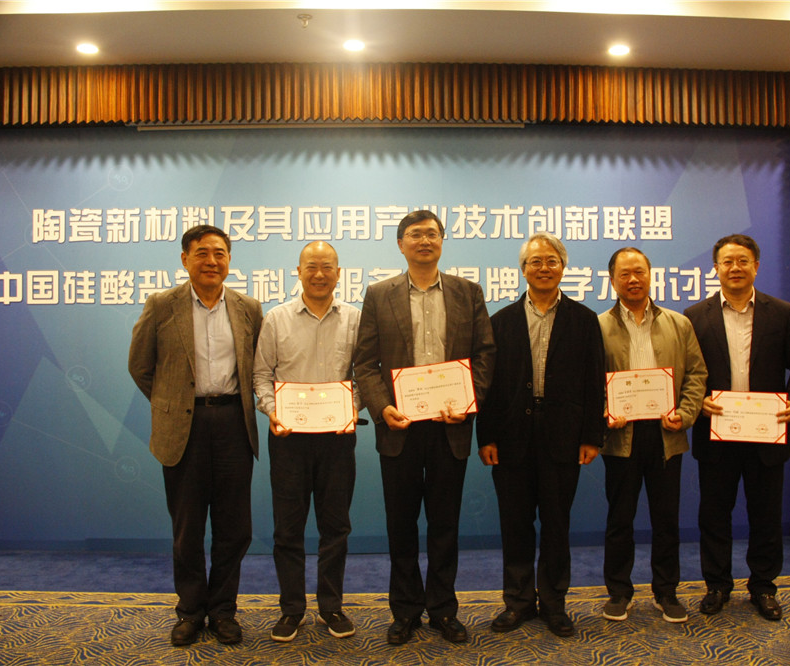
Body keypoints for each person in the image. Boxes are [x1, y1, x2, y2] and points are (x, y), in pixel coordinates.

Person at [353, 209, 495, 645]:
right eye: (415, 235)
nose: (424, 241)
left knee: (444, 524)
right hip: (399, 427)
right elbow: (365, 363)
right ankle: (405, 610)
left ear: (442, 241)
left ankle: (443, 610)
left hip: (450, 426)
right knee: (401, 525)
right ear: (401, 244)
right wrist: (382, 409)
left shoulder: (468, 292)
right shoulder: (379, 295)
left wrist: (469, 402)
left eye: (432, 234)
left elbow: (485, 354)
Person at [128, 224, 263, 646]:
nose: (211, 261)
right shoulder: (161, 305)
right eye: (202, 253)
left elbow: (259, 367)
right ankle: (189, 611)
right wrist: (172, 404)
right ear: (185, 259)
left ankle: (222, 611)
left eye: (220, 253)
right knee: (188, 528)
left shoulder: (248, 308)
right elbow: (140, 366)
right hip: (184, 428)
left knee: (234, 527)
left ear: (229, 260)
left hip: (233, 424)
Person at [476, 233, 604, 637]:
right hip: (511, 438)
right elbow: (489, 386)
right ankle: (517, 602)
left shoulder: (584, 320)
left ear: (563, 267)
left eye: (551, 261)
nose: (543, 268)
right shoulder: (501, 321)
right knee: (514, 524)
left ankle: (553, 603)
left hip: (563, 436)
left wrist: (592, 436)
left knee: (556, 524)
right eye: (535, 261)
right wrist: (486, 436)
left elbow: (594, 381)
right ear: (523, 269)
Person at [684, 234, 790, 621]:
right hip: (716, 432)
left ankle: (763, 587)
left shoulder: (782, 313)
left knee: (766, 516)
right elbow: (685, 370)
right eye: (727, 262)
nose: (735, 268)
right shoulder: (695, 316)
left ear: (756, 266)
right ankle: (717, 585)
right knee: (714, 515)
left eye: (743, 260)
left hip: (766, 433)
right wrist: (697, 399)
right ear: (716, 269)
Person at [252, 241, 361, 642]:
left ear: (338, 273)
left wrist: (351, 407)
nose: (319, 274)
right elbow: (261, 375)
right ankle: (292, 609)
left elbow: (366, 373)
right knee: (288, 529)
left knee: (336, 527)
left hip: (337, 438)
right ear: (297, 271)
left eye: (327, 267)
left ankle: (331, 606)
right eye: (311, 266)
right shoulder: (276, 319)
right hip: (289, 439)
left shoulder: (355, 319)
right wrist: (272, 411)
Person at [598, 247, 707, 624]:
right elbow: (587, 381)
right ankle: (619, 592)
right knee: (619, 520)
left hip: (666, 434)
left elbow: (697, 374)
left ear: (650, 275)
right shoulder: (598, 326)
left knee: (666, 520)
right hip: (621, 437)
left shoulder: (679, 323)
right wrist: (605, 413)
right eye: (625, 274)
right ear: (612, 280)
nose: (633, 279)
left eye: (639, 272)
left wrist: (686, 414)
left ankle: (666, 591)